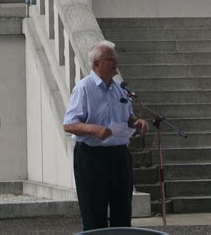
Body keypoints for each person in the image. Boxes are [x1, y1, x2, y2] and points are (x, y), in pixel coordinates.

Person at [63, 40, 149, 231]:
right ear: (96, 64)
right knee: (95, 214)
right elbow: (69, 124)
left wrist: (137, 122)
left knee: (122, 211)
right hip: (92, 158)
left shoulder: (119, 89)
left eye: (115, 58)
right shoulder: (84, 88)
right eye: (110, 59)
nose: (115, 63)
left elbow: (128, 117)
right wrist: (94, 129)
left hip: (119, 156)